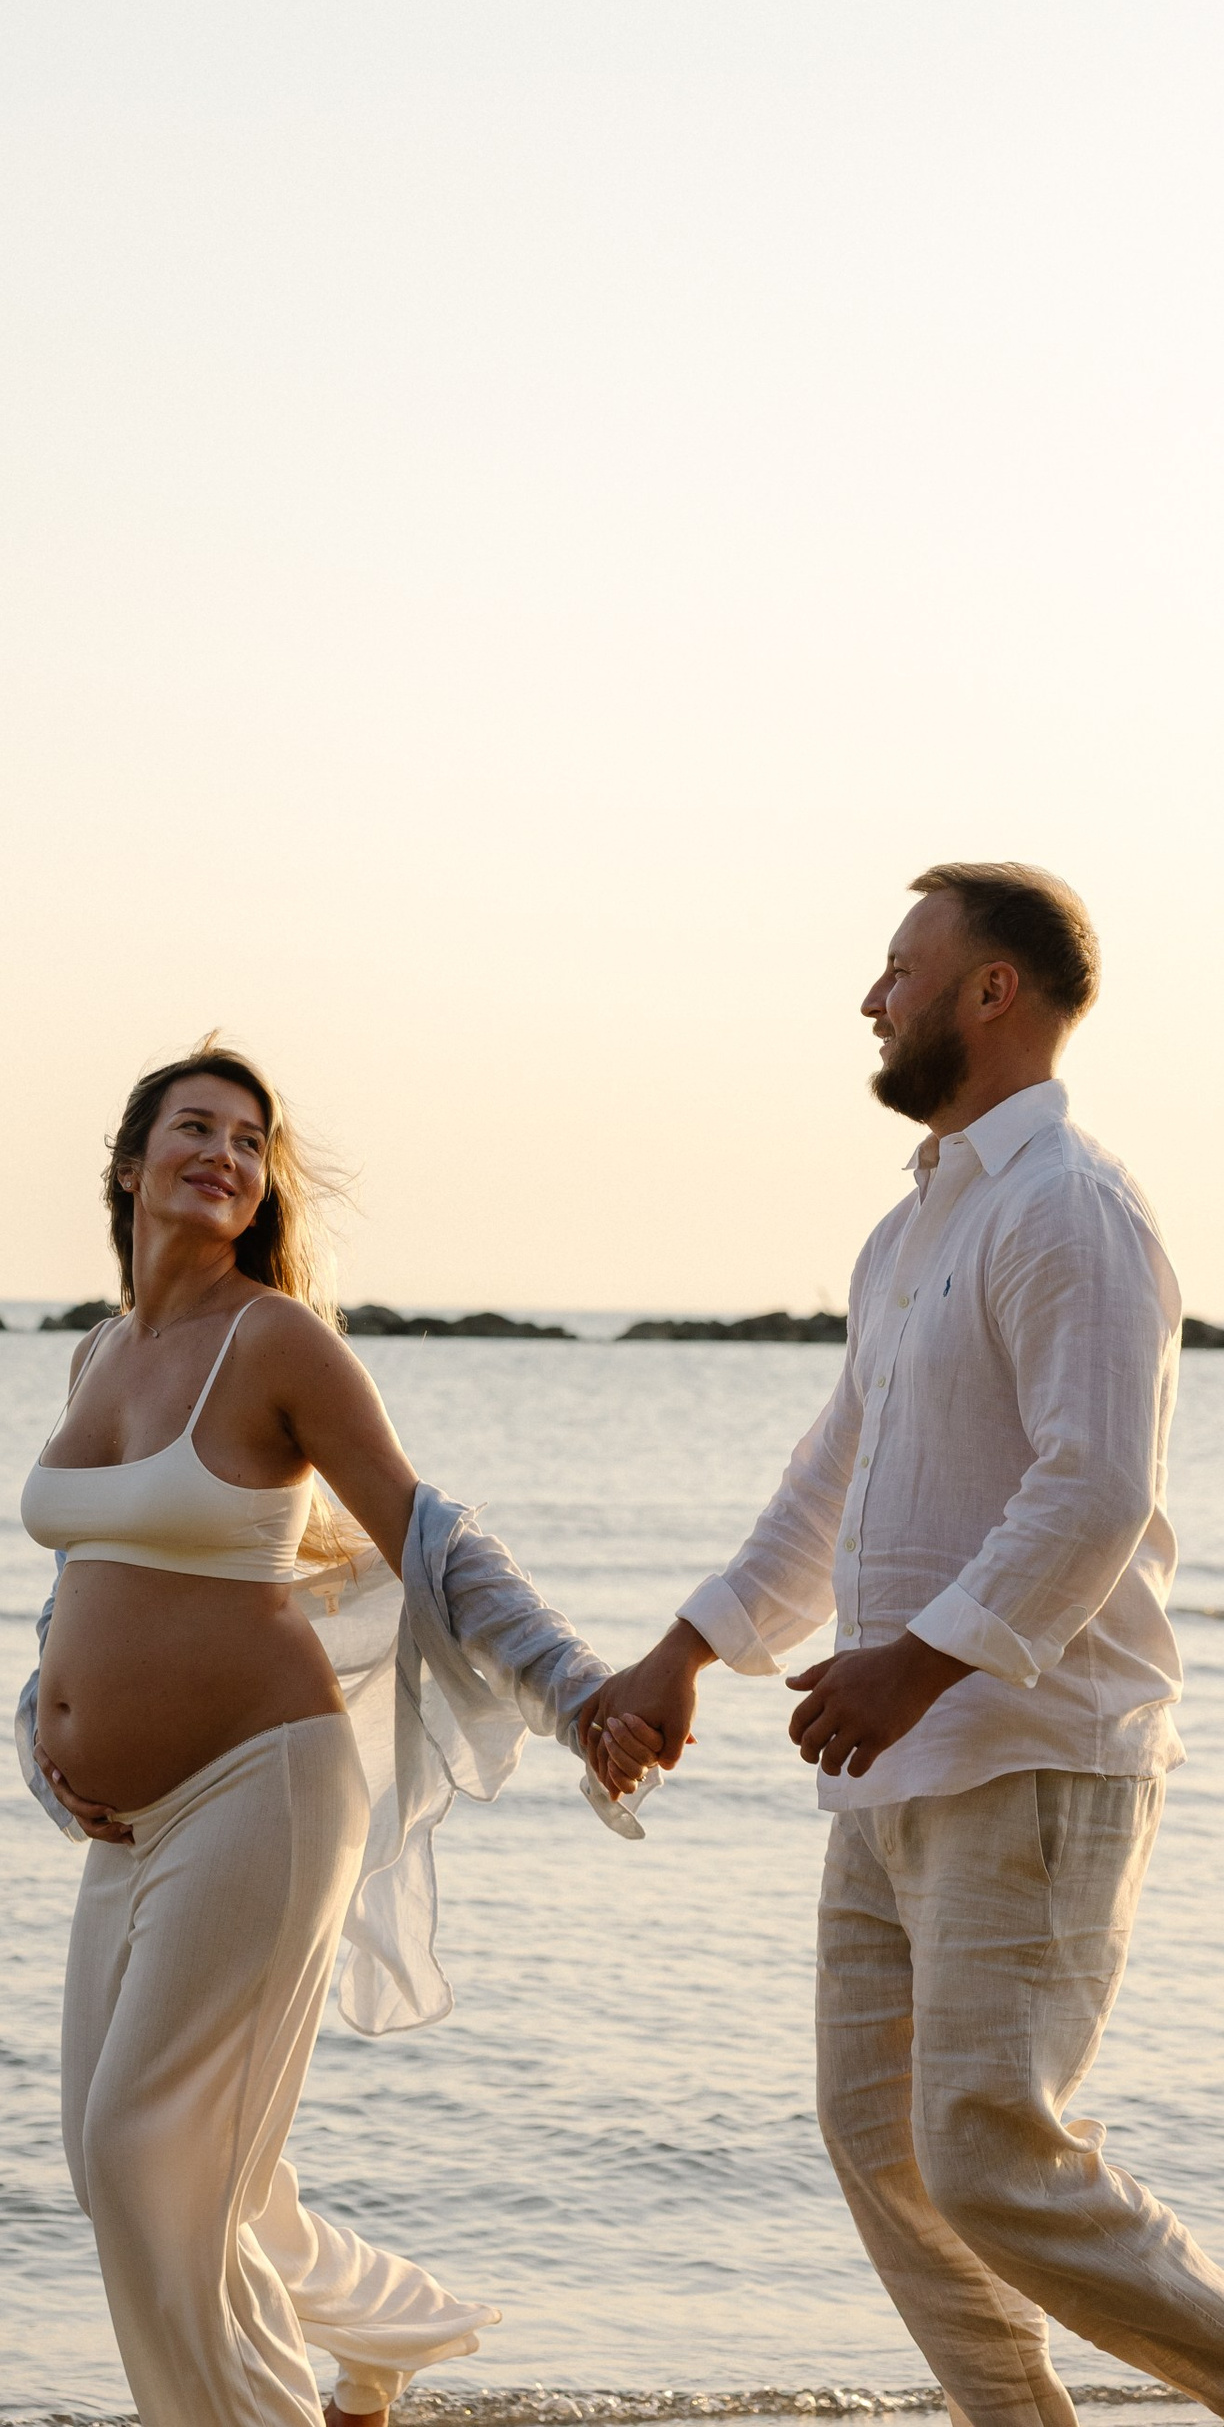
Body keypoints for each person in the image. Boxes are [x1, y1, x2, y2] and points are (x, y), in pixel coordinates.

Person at [585, 863, 1224, 2427]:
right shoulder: (908, 1230)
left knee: (987, 2149)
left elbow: (1094, 1489)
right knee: (881, 2143)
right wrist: (688, 1647)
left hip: (1028, 1753)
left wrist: (916, 1663)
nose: (872, 998)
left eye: (898, 966)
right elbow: (836, 1474)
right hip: (893, 1773)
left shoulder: (1072, 1206)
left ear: (989, 991)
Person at [20, 1039, 657, 2427]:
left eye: (251, 1142)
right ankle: (394, 2325)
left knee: (146, 2159)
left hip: (269, 1783)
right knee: (132, 2163)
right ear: (131, 1163)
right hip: (128, 1825)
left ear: (260, 1189)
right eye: (197, 1127)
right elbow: (84, 1579)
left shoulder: (279, 1341)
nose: (226, 1155)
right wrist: (42, 1725)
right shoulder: (96, 1350)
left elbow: (426, 1532)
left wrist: (578, 1691)